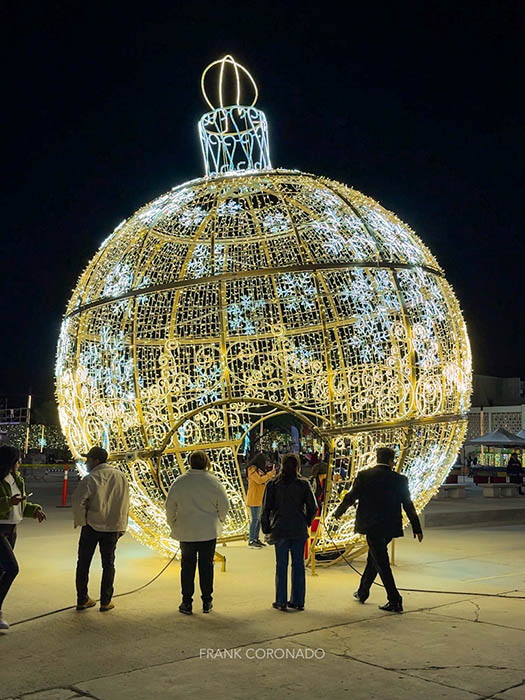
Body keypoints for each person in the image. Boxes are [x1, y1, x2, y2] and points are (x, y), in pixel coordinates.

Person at [334, 447, 423, 614]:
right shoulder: (400, 479)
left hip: (371, 525)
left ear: (376, 458)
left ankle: (395, 599)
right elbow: (408, 505)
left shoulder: (364, 476)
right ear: (391, 461)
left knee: (381, 561)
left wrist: (338, 514)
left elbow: (350, 496)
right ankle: (362, 591)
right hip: (390, 527)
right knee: (375, 558)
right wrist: (417, 528)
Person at [165, 451, 229, 615]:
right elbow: (224, 504)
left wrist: (173, 524)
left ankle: (187, 602)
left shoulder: (180, 482)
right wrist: (220, 520)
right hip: (208, 531)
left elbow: (170, 505)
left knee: (187, 566)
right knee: (206, 566)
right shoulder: (213, 482)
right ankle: (207, 600)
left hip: (187, 532)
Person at [72, 446, 129, 612]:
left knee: (83, 563)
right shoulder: (121, 477)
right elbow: (125, 503)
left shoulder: (91, 478)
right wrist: (121, 526)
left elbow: (77, 501)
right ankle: (106, 601)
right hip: (112, 527)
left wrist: (82, 521)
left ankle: (83, 599)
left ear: (96, 460)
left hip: (92, 526)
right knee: (108, 564)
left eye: (88, 459)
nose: (86, 462)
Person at [261, 453, 317, 612]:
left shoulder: (273, 484)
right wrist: (306, 521)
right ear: (298, 466)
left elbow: (266, 509)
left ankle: (281, 600)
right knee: (298, 565)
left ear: (281, 464)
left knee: (281, 565)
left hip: (280, 528)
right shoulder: (303, 484)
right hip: (298, 528)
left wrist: (266, 528)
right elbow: (312, 508)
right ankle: (298, 600)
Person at [0, 445, 46, 630]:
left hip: (12, 530)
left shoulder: (17, 480)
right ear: (9, 462)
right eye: (17, 460)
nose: (19, 463)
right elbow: (9, 504)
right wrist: (7, 502)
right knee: (12, 569)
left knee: (2, 572)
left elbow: (20, 505)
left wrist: (34, 510)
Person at [246, 453, 275, 548]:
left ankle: (256, 538)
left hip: (260, 497)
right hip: (254, 497)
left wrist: (269, 474)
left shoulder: (259, 470)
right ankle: (251, 540)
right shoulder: (252, 469)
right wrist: (269, 475)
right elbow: (259, 480)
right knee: (255, 519)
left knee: (258, 519)